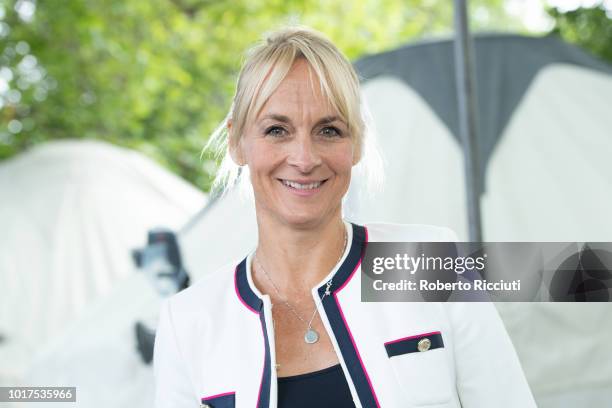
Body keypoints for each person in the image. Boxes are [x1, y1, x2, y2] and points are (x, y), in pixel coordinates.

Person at [153, 26, 537, 408]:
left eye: (329, 130)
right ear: (238, 141)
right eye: (277, 130)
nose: (304, 158)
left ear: (356, 143)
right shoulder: (188, 322)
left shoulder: (430, 263)